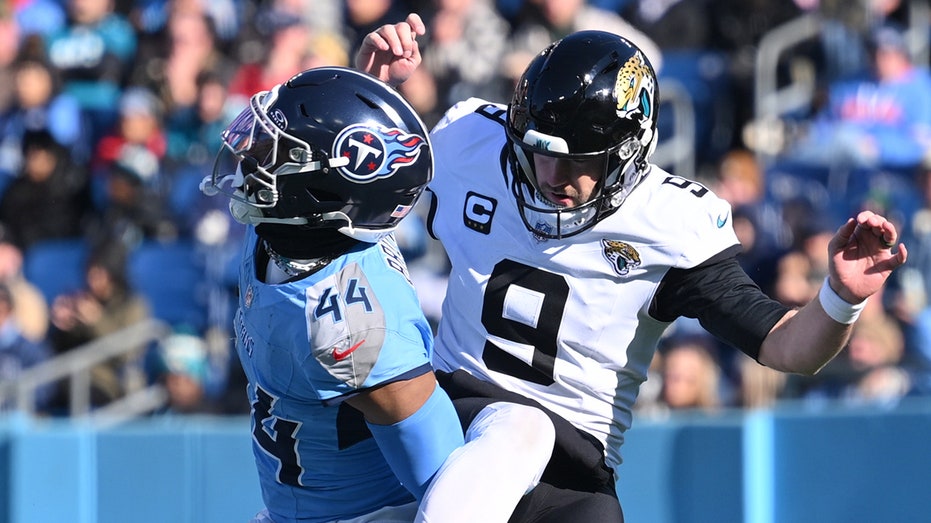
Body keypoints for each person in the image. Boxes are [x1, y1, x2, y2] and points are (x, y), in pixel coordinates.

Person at [357, 14, 908, 520]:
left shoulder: (670, 224)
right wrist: (371, 96)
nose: (552, 175)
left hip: (568, 466)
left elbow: (788, 348)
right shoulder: (470, 140)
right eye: (540, 152)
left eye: (578, 159)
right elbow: (344, 198)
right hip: (445, 421)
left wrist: (841, 298)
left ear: (629, 151)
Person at [199, 65, 556, 523]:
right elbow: (445, 481)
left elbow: (439, 481)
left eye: (278, 154)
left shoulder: (299, 268)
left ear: (321, 193)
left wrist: (363, 98)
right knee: (525, 427)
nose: (252, 160)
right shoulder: (333, 296)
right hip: (351, 513)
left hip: (332, 511)